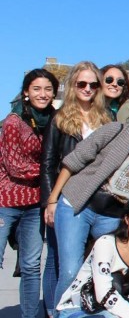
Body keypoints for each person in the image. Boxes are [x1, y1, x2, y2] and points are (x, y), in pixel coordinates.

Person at [48, 95, 129, 306]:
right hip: (80, 202)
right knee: (70, 271)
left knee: (110, 269)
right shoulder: (116, 131)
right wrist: (53, 199)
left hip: (114, 214)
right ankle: (61, 311)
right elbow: (74, 161)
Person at [42, 62, 111, 316]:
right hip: (67, 198)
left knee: (92, 267)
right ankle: (58, 312)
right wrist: (50, 200)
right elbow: (49, 162)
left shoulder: (106, 119)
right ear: (73, 85)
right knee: (66, 267)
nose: (88, 89)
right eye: (82, 83)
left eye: (93, 84)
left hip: (99, 200)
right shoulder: (60, 118)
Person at [55, 193, 129, 318]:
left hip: (122, 308)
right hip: (81, 309)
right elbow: (104, 293)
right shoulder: (106, 244)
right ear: (126, 219)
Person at [2, 68, 59, 318]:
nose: (42, 94)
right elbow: (15, 166)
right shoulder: (13, 122)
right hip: (6, 201)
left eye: (48, 89)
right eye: (36, 88)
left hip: (35, 204)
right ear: (26, 92)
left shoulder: (55, 120)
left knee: (31, 266)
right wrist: (51, 169)